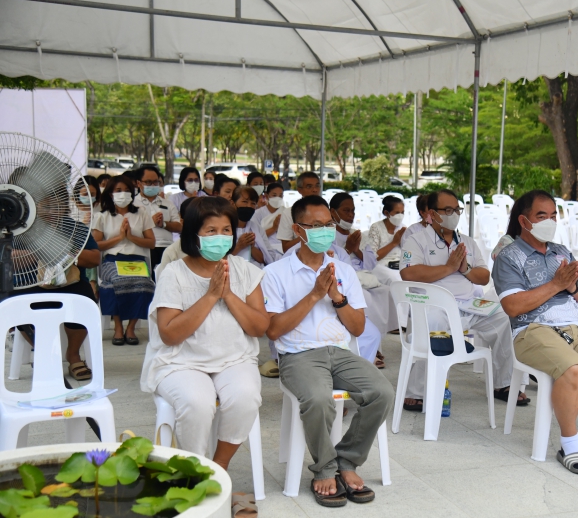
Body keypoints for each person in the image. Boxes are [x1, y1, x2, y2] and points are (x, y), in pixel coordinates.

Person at [262, 195, 393, 506]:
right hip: (298, 355)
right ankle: (324, 468)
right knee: (319, 399)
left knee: (382, 392)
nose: (325, 231)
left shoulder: (343, 271)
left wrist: (337, 297)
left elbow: (357, 328)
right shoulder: (276, 273)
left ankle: (346, 460)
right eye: (316, 226)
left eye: (328, 225)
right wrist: (314, 294)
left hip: (339, 352)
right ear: (298, 230)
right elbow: (273, 330)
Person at [492, 190, 578, 474]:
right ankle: (569, 443)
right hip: (532, 330)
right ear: (524, 220)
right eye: (541, 216)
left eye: (553, 215)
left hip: (575, 327)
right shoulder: (508, 257)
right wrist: (556, 285)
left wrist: (571, 286)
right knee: (573, 367)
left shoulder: (561, 252)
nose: (550, 221)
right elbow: (512, 306)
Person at [141, 196, 269, 513]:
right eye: (211, 230)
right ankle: (193, 473)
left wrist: (228, 294)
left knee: (245, 396)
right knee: (197, 403)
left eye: (226, 230)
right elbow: (170, 334)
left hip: (234, 358)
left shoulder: (245, 271)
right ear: (193, 234)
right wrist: (211, 296)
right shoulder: (174, 273)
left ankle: (217, 470)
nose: (220, 237)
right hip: (180, 361)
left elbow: (259, 327)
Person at [401, 189, 525, 410]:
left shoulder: (467, 242)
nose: (454, 214)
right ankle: (417, 391)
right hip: (434, 305)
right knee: (431, 324)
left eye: (457, 210)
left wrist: (465, 269)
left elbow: (484, 276)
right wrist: (448, 267)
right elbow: (408, 273)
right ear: (432, 213)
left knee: (504, 317)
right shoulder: (416, 240)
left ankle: (503, 384)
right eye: (448, 210)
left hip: (469, 305)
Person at [13, 181, 101, 381]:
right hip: (30, 284)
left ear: (64, 204)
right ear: (32, 204)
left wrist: (66, 252)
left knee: (85, 299)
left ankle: (73, 354)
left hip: (70, 285)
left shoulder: (76, 228)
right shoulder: (20, 229)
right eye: (45, 206)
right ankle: (45, 353)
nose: (51, 211)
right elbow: (10, 261)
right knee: (15, 301)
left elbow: (95, 259)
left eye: (56, 205)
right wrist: (40, 249)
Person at [329, 192, 397, 367]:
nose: (350, 215)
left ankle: (377, 343)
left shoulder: (358, 234)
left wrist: (356, 249)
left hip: (364, 277)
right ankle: (366, 346)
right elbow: (333, 261)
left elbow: (371, 262)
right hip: (345, 279)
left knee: (385, 292)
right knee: (365, 299)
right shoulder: (328, 234)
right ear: (333, 212)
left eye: (352, 211)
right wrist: (347, 248)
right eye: (346, 211)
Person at [92, 175, 156, 346]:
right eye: (118, 190)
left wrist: (131, 237)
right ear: (110, 193)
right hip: (112, 260)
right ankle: (118, 327)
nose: (123, 194)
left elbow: (151, 242)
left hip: (137, 260)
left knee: (145, 283)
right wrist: (120, 238)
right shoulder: (102, 216)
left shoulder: (141, 213)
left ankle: (131, 328)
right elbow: (96, 244)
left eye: (127, 190)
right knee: (116, 281)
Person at [134, 166, 182, 279]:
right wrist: (150, 222)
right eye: (148, 182)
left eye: (156, 182)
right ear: (139, 183)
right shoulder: (133, 204)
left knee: (166, 279)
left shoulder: (167, 204)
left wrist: (164, 224)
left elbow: (179, 226)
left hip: (165, 248)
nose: (152, 185)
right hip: (143, 248)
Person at [364, 196, 405, 286]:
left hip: (400, 265)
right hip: (380, 266)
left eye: (402, 212)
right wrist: (394, 243)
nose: (400, 216)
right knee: (395, 280)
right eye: (397, 213)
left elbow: (408, 253)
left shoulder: (403, 228)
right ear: (387, 213)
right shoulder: (376, 228)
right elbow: (372, 257)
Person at [277, 171, 321, 252]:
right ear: (299, 190)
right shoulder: (289, 213)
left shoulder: (326, 212)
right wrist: (307, 235)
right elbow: (286, 248)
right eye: (309, 186)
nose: (315, 190)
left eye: (317, 186)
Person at [155, 197, 195, 279]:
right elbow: (163, 284)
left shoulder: (217, 248)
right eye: (196, 221)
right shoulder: (172, 252)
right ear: (182, 221)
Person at [231, 186, 270, 267]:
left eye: (253, 203)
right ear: (233, 204)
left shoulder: (257, 228)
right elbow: (219, 259)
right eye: (245, 202)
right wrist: (239, 246)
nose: (249, 206)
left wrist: (251, 247)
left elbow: (266, 259)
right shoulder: (225, 228)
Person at [256, 182, 285, 259]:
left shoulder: (286, 212)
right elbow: (256, 237)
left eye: (280, 195)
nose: (277, 198)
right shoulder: (258, 213)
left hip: (284, 249)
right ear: (267, 196)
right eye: (274, 195)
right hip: (265, 248)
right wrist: (274, 228)